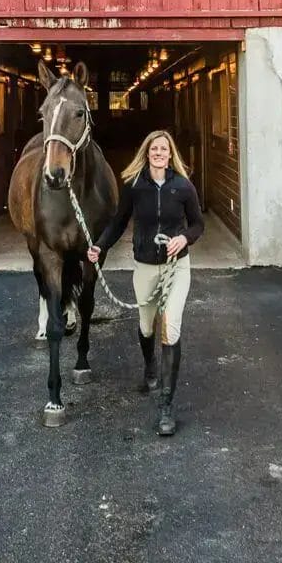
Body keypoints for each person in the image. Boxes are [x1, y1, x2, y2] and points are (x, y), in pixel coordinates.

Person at [87, 129, 204, 436]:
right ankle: (149, 365)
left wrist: (183, 238)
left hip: (176, 269)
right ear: (147, 152)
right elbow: (118, 222)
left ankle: (166, 406)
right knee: (146, 326)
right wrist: (100, 246)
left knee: (171, 328)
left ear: (170, 154)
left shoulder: (183, 187)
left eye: (164, 149)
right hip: (145, 267)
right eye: (154, 148)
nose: (159, 153)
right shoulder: (134, 186)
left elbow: (198, 223)